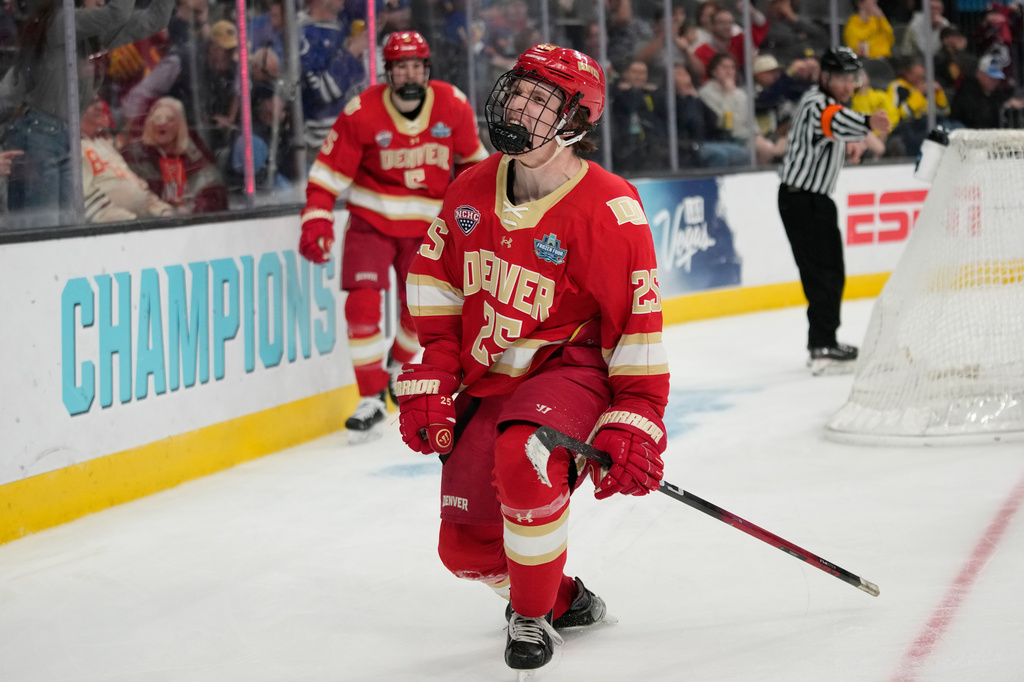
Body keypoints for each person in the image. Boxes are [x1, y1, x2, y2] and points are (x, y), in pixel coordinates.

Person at [395, 43, 669, 675]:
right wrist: (435, 370)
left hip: (569, 370)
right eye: (517, 91)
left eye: (541, 99)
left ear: (575, 121)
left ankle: (532, 618)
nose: (519, 105)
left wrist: (635, 417)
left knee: (527, 452)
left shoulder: (611, 209)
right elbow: (435, 287)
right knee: (463, 549)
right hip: (492, 378)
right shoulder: (470, 187)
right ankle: (561, 598)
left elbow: (638, 328)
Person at [297, 30, 488, 442]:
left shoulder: (452, 103)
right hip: (371, 223)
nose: (410, 73)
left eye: (417, 65)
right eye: (401, 66)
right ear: (388, 71)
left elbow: (476, 168)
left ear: (427, 68)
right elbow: (326, 177)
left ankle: (398, 366)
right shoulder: (360, 112)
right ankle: (369, 398)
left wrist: (484, 219)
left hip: (428, 230)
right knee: (361, 305)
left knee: (418, 311)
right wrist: (317, 219)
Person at [0, 0, 175, 229]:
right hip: (39, 137)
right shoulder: (62, 21)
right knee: (43, 233)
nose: (102, 1)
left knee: (62, 231)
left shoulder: (83, 34)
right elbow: (117, 13)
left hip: (62, 137)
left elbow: (154, 20)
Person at [777, 46, 891, 375]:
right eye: (841, 78)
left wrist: (851, 143)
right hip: (803, 200)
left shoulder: (829, 102)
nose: (847, 84)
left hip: (812, 199)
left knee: (830, 271)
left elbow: (831, 130)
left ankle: (825, 339)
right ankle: (822, 344)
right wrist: (868, 122)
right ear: (825, 77)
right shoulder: (818, 102)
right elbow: (832, 121)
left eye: (852, 78)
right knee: (823, 273)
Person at [121, 96, 228, 214]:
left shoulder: (194, 150)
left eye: (169, 119)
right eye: (157, 118)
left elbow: (213, 191)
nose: (162, 123)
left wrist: (194, 208)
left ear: (180, 123)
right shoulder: (135, 154)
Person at [79, 96, 174, 222]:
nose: (99, 106)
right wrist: (131, 222)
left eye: (99, 101)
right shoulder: (74, 148)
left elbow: (134, 183)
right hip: (116, 230)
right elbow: (90, 204)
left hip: (138, 224)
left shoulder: (102, 143)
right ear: (76, 111)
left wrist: (162, 210)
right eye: (91, 103)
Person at [950, 53, 1024, 128]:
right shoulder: (967, 91)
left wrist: (1007, 104)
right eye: (991, 77)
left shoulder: (996, 93)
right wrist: (1000, 107)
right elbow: (979, 118)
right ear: (980, 74)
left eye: (997, 78)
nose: (995, 81)